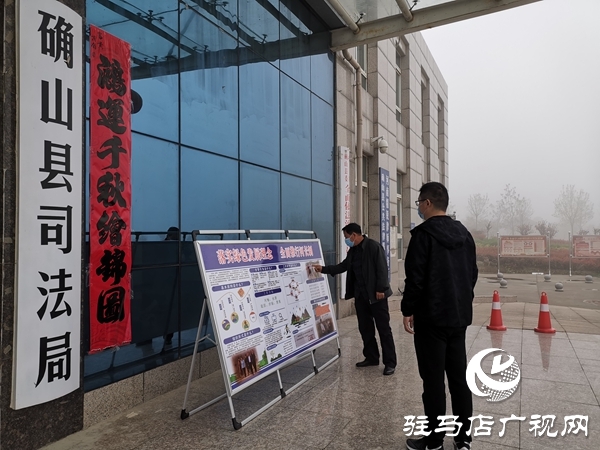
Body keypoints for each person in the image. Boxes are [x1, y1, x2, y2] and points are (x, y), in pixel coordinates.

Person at [401, 182, 478, 450]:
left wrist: (408, 309)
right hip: (458, 317)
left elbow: (415, 278)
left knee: (433, 381)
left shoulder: (423, 235)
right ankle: (463, 439)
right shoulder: (464, 234)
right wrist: (460, 301)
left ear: (427, 203)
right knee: (459, 380)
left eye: (419, 203)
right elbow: (472, 274)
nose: (419, 208)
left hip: (431, 319)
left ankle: (434, 442)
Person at [314, 223, 397, 376]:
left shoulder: (373, 247)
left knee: (384, 330)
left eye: (346, 237)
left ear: (354, 235)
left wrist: (381, 288)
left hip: (377, 296)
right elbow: (343, 266)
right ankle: (371, 357)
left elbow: (382, 268)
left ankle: (390, 363)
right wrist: (324, 269)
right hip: (361, 297)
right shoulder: (353, 251)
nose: (346, 240)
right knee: (365, 329)